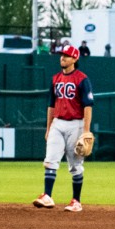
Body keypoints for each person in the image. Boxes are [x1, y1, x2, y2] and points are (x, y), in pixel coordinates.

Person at [33, 44, 93, 214]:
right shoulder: (55, 79)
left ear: (75, 59)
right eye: (62, 55)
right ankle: (47, 196)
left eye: (66, 55)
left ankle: (76, 201)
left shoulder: (82, 79)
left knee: (75, 165)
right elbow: (51, 105)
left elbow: (88, 106)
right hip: (57, 123)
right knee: (50, 160)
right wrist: (48, 128)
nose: (62, 58)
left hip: (76, 124)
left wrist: (86, 131)